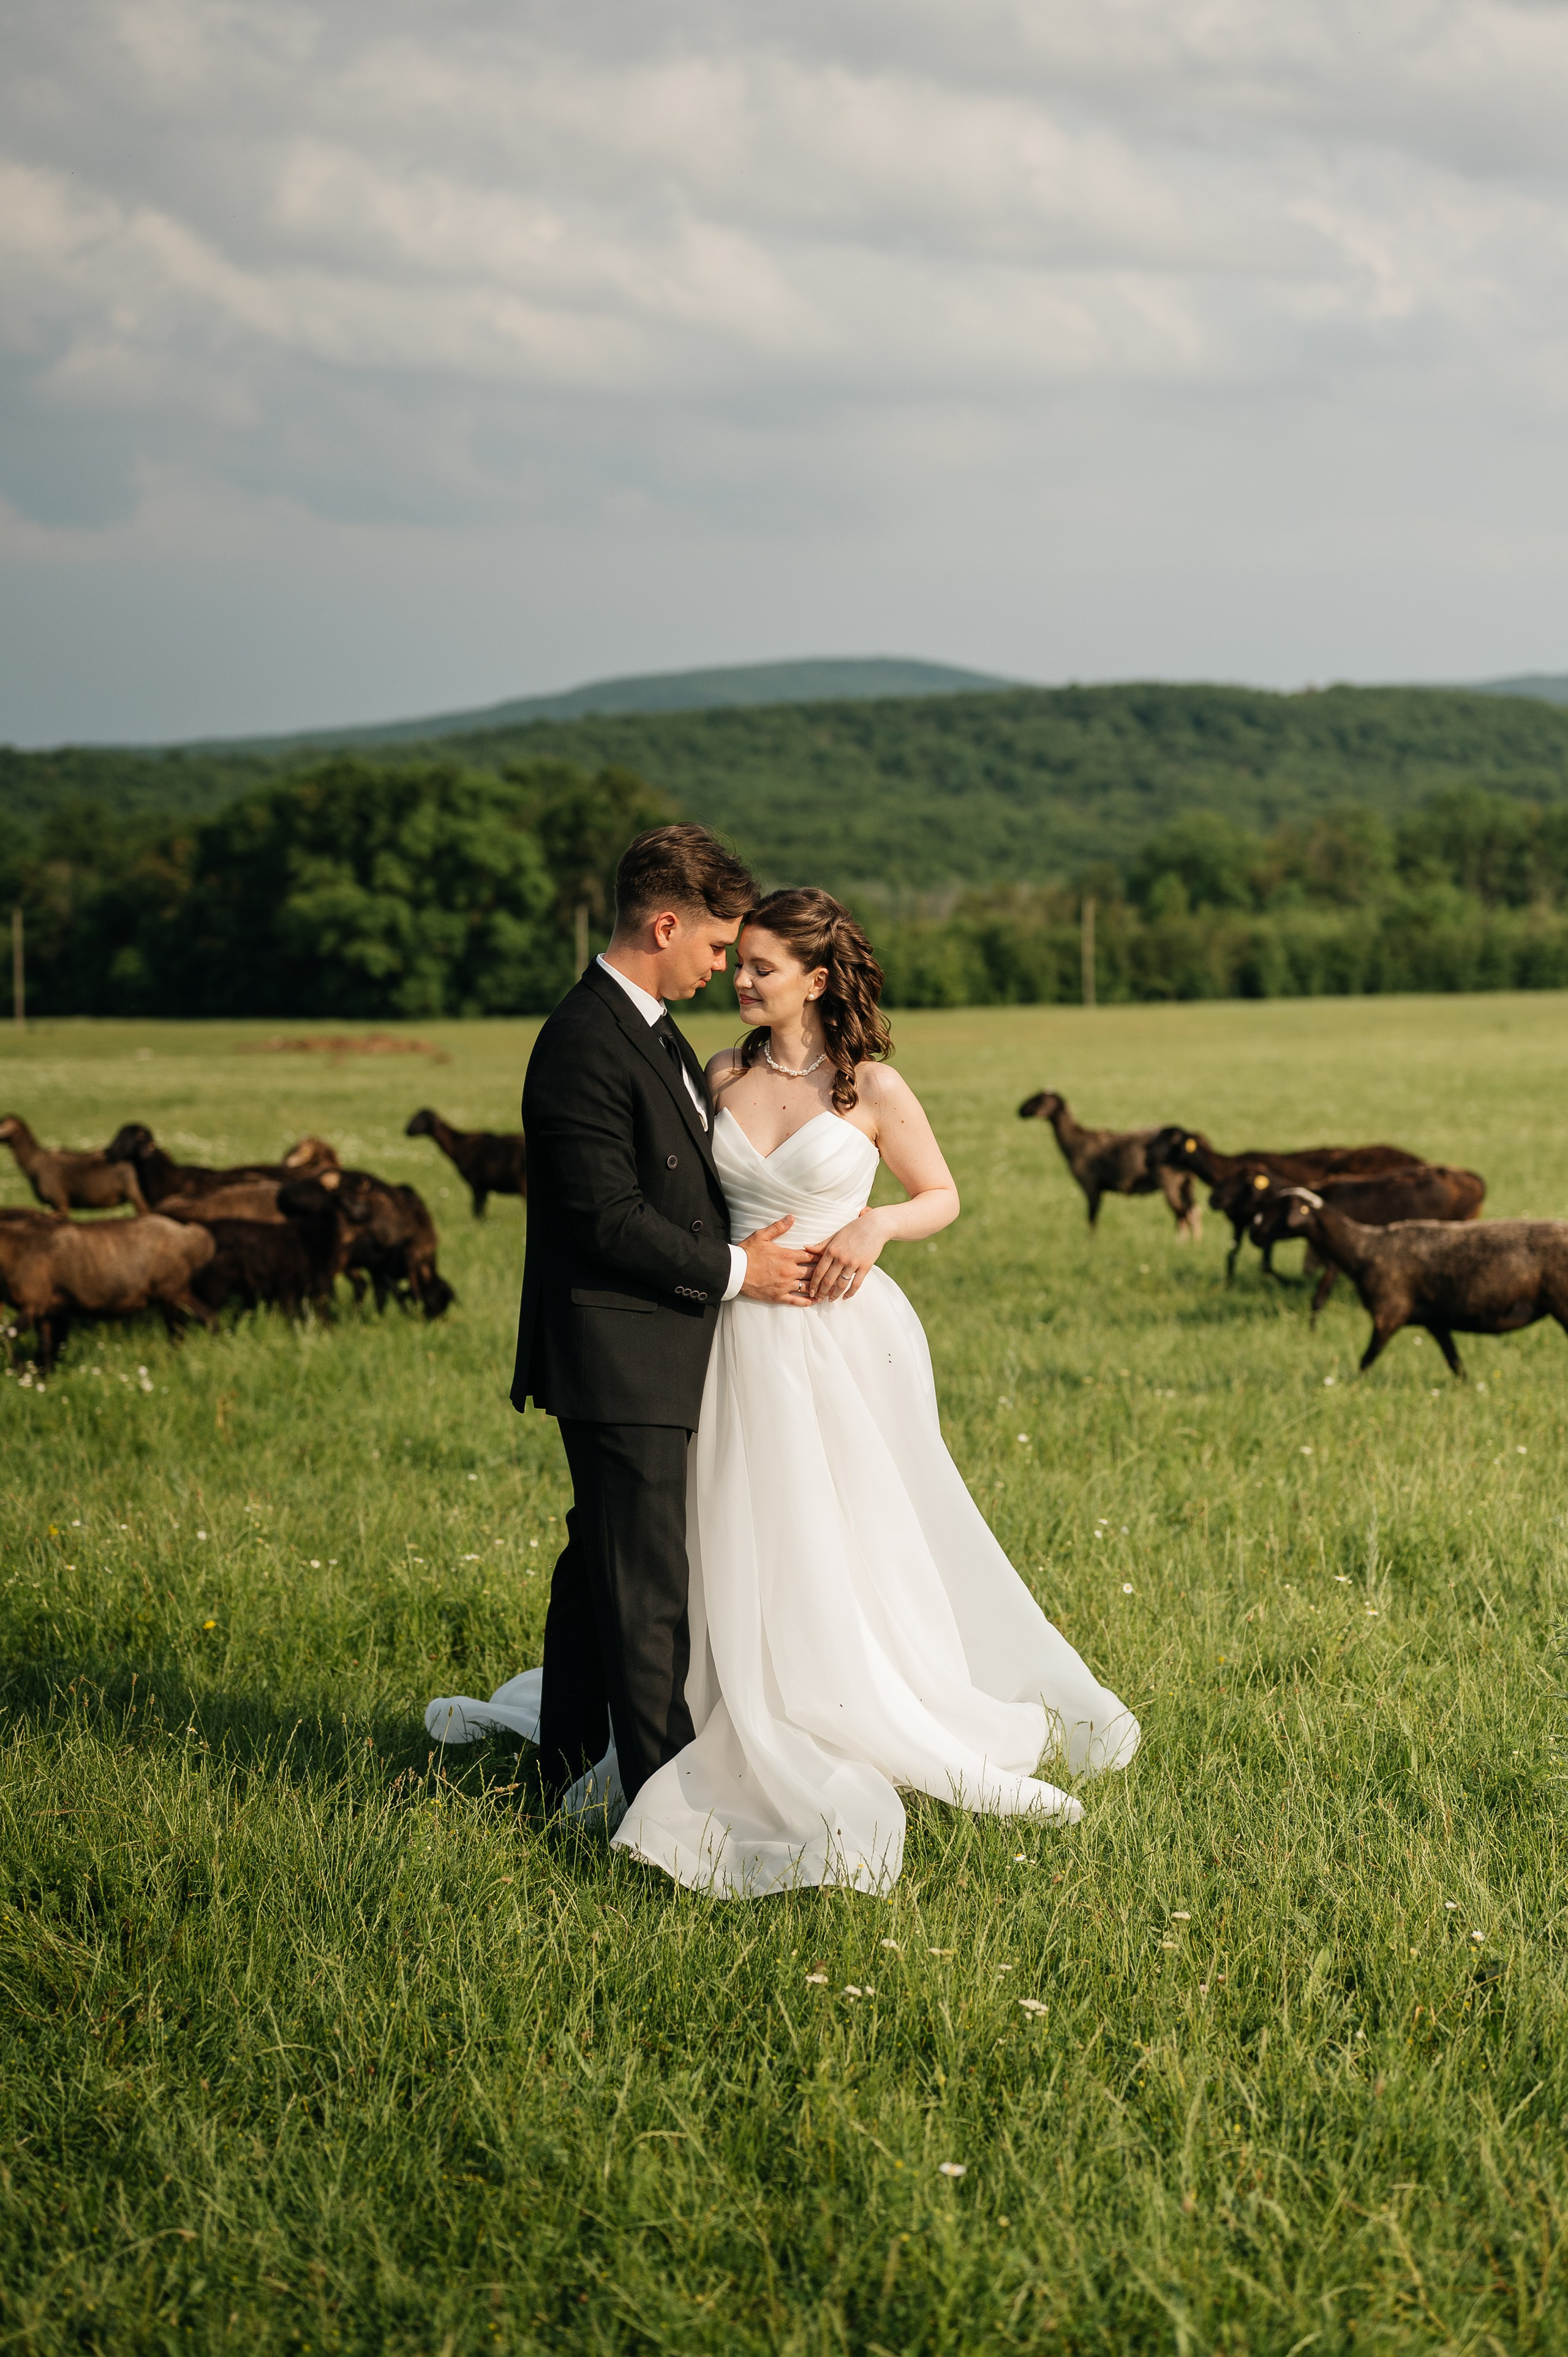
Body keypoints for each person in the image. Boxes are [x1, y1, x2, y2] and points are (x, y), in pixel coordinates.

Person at [427, 880, 1139, 1892]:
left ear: (816, 976)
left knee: (837, 1528)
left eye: (761, 965)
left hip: (836, 1335)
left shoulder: (872, 1090)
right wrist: (722, 1256)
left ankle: (848, 1694)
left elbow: (941, 1195)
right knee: (718, 1526)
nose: (740, 978)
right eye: (738, 958)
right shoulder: (716, 1071)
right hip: (729, 1331)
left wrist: (875, 1225)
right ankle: (702, 1709)